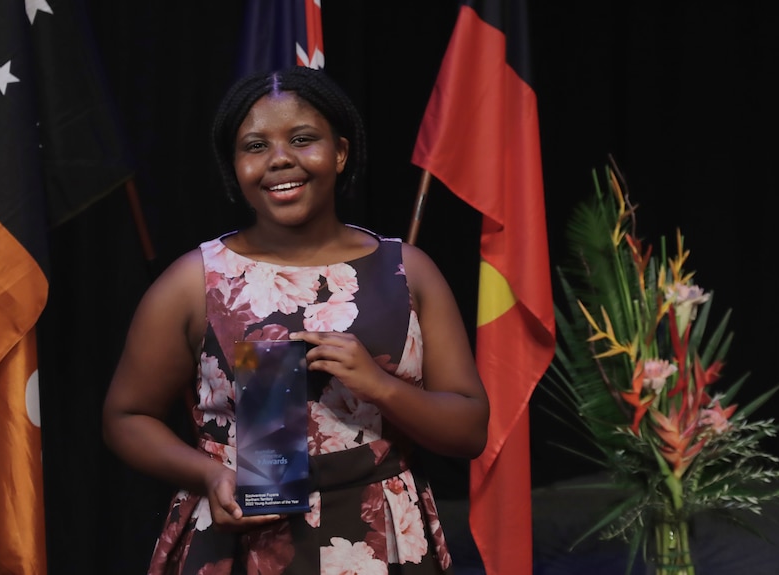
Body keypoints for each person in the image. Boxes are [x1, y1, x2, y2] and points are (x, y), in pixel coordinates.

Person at [102, 65, 489, 574]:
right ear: (234, 165)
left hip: (380, 539)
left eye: (303, 139)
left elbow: (470, 431)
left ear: (341, 152)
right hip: (239, 537)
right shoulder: (191, 283)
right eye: (255, 146)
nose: (280, 159)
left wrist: (380, 386)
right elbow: (126, 418)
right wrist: (209, 476)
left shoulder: (408, 271)